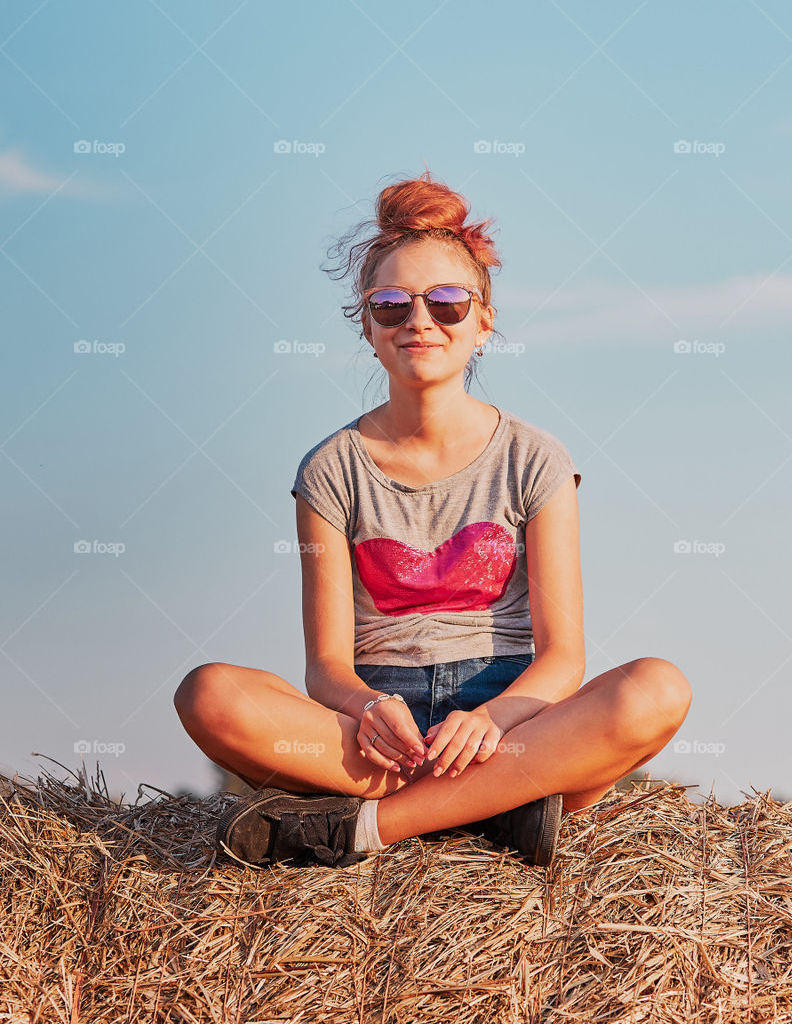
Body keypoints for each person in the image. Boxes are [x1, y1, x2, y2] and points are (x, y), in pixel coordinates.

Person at [174, 170, 692, 869]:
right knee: (209, 695)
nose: (419, 320)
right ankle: (493, 808)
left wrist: (491, 721)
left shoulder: (534, 457)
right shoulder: (330, 469)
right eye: (391, 304)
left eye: (448, 302)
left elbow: (563, 655)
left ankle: (363, 830)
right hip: (380, 732)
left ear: (483, 323)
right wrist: (364, 707)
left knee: (655, 690)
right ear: (367, 325)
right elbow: (326, 665)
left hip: (511, 719)